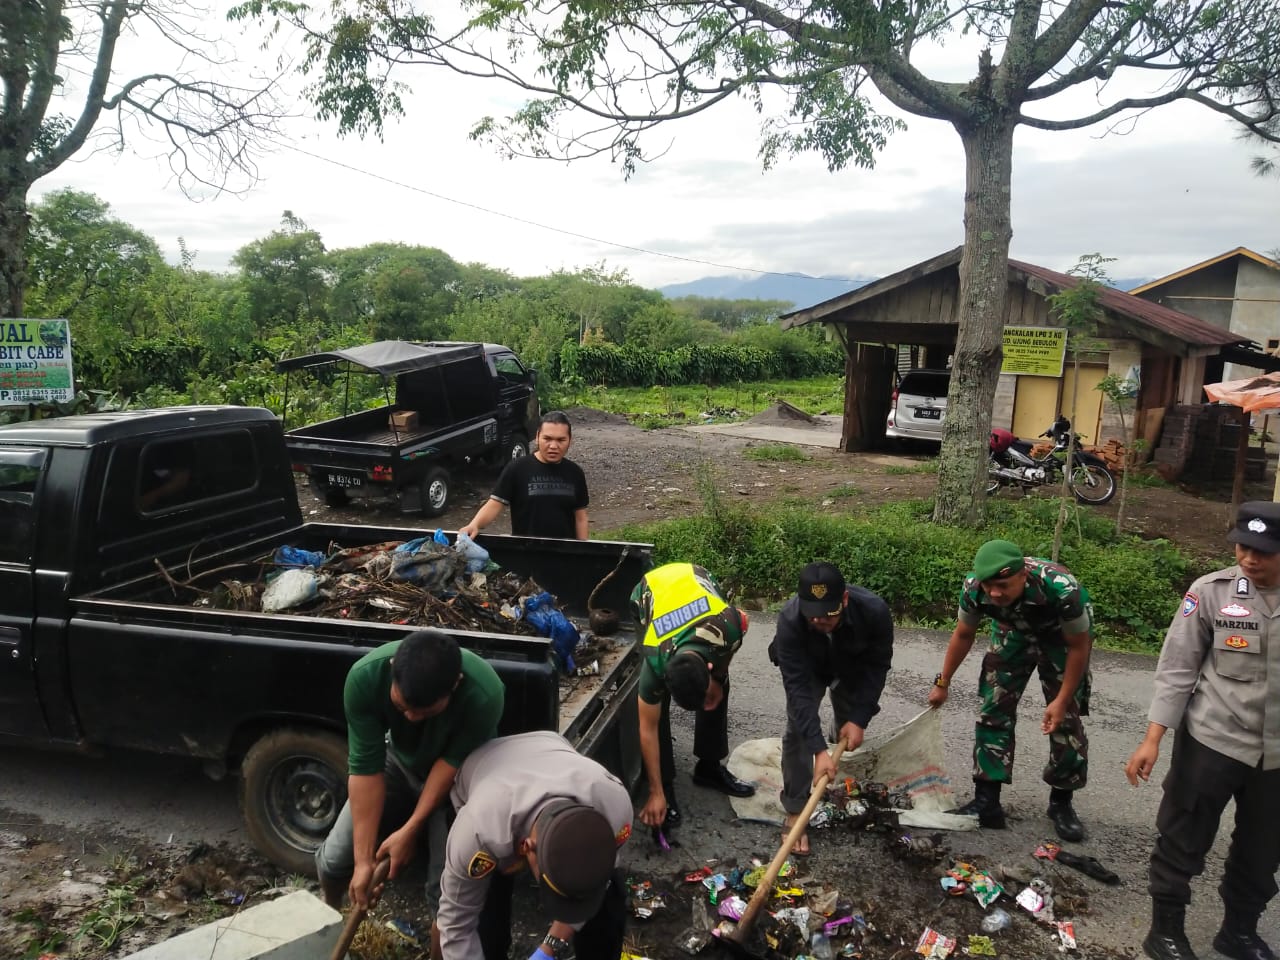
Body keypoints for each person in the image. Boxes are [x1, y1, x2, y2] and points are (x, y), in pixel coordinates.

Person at [1124, 501, 1280, 960]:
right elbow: (1177, 669)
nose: (1249, 558)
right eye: (1243, 546)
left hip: (1276, 754)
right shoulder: (1211, 592)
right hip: (1213, 739)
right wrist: (1153, 738)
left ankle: (1239, 931)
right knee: (1183, 834)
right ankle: (1165, 931)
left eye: (1264, 551)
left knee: (1263, 847)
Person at [314, 628, 505, 914]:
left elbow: (450, 764)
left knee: (444, 893)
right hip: (398, 762)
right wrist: (363, 861)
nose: (412, 718)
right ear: (393, 669)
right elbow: (366, 768)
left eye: (426, 712)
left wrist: (411, 829)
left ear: (456, 684)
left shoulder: (485, 693)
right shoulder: (365, 677)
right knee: (334, 860)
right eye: (402, 707)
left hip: (459, 780)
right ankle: (328, 915)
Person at [927, 539, 1093, 842]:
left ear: (1022, 576)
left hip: (1060, 639)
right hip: (1012, 632)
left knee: (1065, 720)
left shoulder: (1063, 590)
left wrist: (1062, 698)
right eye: (989, 585)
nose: (994, 593)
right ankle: (987, 802)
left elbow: (1079, 647)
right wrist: (943, 682)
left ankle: (1061, 803)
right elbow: (964, 634)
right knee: (993, 709)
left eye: (1003, 585)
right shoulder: (974, 587)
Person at [432, 730, 633, 960]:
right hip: (483, 771)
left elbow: (593, 886)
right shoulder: (479, 832)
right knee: (487, 935)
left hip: (549, 748)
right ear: (527, 848)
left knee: (606, 915)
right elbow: (456, 925)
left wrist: (548, 949)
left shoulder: (615, 806)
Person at [769, 562, 893, 855]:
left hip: (852, 667)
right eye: (813, 616)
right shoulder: (790, 620)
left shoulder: (874, 612)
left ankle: (834, 743)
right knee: (799, 731)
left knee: (847, 734)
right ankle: (797, 808)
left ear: (845, 599)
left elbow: (877, 668)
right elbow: (797, 692)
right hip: (809, 669)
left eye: (829, 614)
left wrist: (860, 718)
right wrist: (817, 750)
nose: (821, 621)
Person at [631, 562, 755, 833]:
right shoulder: (655, 659)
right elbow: (647, 728)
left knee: (721, 691)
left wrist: (720, 679)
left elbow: (725, 656)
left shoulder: (730, 625)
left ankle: (709, 767)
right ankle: (663, 786)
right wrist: (655, 792)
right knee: (656, 713)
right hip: (649, 591)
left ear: (708, 667)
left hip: (693, 578)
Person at [459, 412, 588, 540]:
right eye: (547, 439)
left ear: (570, 440)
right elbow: (495, 504)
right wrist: (474, 524)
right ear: (537, 437)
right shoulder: (517, 469)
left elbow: (580, 518)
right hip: (525, 551)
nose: (553, 446)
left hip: (565, 553)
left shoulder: (575, 473)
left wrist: (584, 550)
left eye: (561, 440)